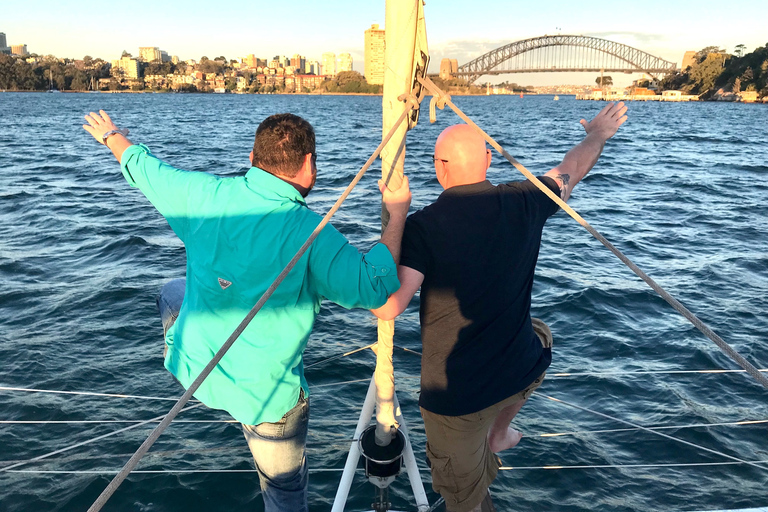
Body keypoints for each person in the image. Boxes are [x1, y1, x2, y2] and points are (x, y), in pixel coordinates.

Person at [82, 110, 411, 512]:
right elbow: (378, 291)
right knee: (284, 496)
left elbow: (144, 168)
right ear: (309, 165)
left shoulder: (202, 195)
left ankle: (185, 342)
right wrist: (396, 215)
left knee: (171, 291)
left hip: (197, 370)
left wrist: (112, 135)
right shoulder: (312, 235)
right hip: (266, 401)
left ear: (253, 157)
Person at [372, 102, 628, 512]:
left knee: (465, 501)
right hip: (518, 370)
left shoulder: (423, 226)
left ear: (439, 166)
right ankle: (500, 431)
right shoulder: (526, 199)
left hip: (458, 397)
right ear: (489, 160)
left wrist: (397, 217)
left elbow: (387, 307)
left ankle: (490, 440)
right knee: (541, 334)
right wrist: (597, 134)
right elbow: (572, 168)